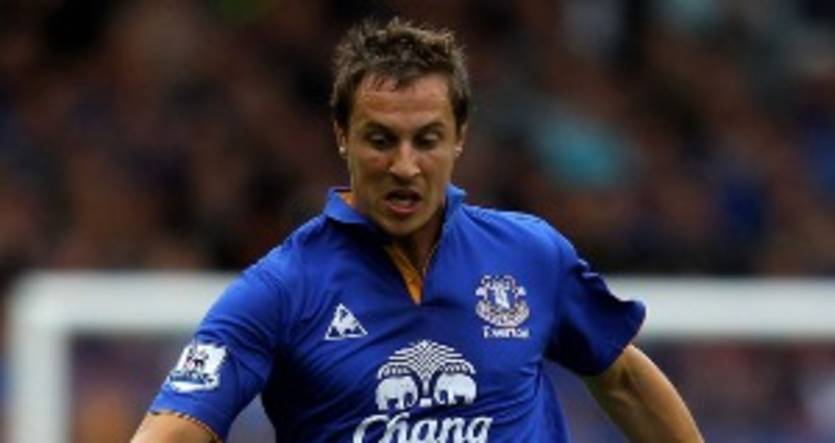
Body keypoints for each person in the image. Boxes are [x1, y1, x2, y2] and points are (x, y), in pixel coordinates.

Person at [131, 18, 703, 443]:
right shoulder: (282, 288)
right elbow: (175, 429)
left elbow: (623, 378)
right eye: (381, 140)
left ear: (460, 136)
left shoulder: (530, 254)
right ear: (342, 136)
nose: (404, 166)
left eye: (426, 140)